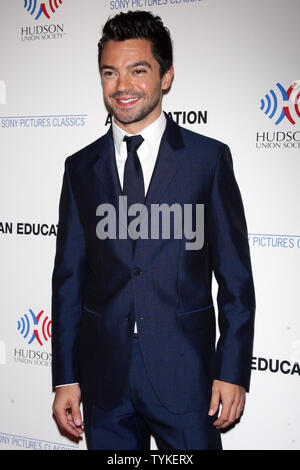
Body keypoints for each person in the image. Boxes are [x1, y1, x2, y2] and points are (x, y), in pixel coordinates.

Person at [52, 10, 255, 450]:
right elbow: (68, 280)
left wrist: (233, 370)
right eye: (110, 72)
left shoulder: (207, 160)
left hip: (188, 378)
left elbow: (236, 279)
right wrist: (66, 377)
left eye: (138, 70)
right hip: (104, 381)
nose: (122, 86)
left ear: (166, 77)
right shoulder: (79, 169)